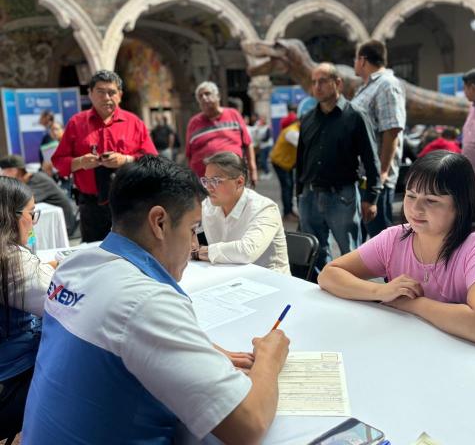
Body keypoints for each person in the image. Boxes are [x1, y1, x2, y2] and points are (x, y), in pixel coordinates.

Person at [21, 156, 290, 444]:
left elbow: (116, 333)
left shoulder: (74, 267)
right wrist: (269, 357)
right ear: (159, 222)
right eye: (191, 229)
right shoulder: (146, 301)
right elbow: (249, 424)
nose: (192, 245)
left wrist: (193, 346)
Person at [318, 151, 475, 344]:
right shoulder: (395, 238)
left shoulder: (473, 248)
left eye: (432, 200)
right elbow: (329, 275)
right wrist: (381, 292)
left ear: (461, 204)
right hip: (400, 347)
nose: (416, 209)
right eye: (411, 196)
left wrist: (413, 304)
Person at [52, 70, 157, 242]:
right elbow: (58, 161)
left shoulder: (134, 123)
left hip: (129, 203)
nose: (106, 97)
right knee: (95, 255)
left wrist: (126, 160)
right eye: (100, 92)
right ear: (90, 94)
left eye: (111, 92)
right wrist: (80, 162)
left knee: (132, 252)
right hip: (91, 206)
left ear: (120, 95)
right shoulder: (76, 123)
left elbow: (153, 160)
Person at [297, 63, 381, 274]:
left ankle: (355, 298)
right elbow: (301, 159)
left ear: (338, 83)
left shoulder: (355, 115)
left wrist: (372, 197)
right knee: (315, 253)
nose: (317, 86)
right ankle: (325, 292)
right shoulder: (307, 119)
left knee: (350, 254)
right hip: (310, 195)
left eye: (323, 81)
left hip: (342, 196)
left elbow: (371, 159)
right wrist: (299, 194)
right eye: (314, 82)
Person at [0, 177, 56, 441]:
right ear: (12, 216)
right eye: (32, 214)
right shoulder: (11, 261)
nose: (33, 222)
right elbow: (63, 303)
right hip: (12, 386)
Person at [195, 152, 290, 274]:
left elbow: (247, 251)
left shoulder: (265, 208)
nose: (208, 187)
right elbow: (184, 227)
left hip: (269, 281)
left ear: (239, 182)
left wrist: (202, 252)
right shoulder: (208, 205)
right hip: (227, 277)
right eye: (206, 180)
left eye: (215, 181)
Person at [352, 39, 406, 237]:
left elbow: (391, 131)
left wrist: (382, 173)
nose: (354, 64)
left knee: (381, 238)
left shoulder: (387, 85)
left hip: (376, 179)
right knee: (368, 242)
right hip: (363, 174)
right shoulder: (365, 87)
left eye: (355, 60)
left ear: (363, 60)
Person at [186, 81, 258, 185]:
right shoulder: (194, 123)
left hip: (232, 177)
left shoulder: (233, 114)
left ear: (218, 96)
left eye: (207, 93)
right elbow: (189, 155)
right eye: (200, 96)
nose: (204, 98)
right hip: (204, 182)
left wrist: (253, 169)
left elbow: (248, 143)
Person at [0, 154, 77, 237]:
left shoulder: (37, 180)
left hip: (64, 225)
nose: (2, 174)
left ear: (14, 170)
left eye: (3, 170)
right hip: (52, 224)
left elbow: (18, 203)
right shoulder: (32, 179)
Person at [270, 118, 300, 221]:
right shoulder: (292, 132)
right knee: (287, 186)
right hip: (280, 163)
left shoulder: (295, 129)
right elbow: (303, 145)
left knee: (290, 186)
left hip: (287, 163)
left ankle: (290, 211)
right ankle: (287, 213)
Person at [461, 68, 475, 190]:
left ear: (473, 87)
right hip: (472, 178)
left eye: (465, 88)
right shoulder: (472, 108)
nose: (464, 92)